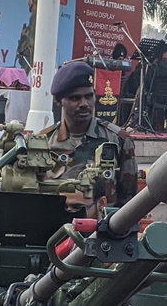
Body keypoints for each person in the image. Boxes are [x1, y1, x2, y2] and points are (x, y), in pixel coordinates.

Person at [39, 60, 138, 205]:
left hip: (101, 218)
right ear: (59, 101)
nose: (84, 104)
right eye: (75, 98)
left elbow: (128, 200)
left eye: (89, 96)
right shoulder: (43, 142)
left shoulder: (117, 139)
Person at [16, 0, 37, 74]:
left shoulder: (37, 17)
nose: (28, 2)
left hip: (31, 65)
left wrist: (26, 33)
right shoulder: (33, 17)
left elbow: (33, 41)